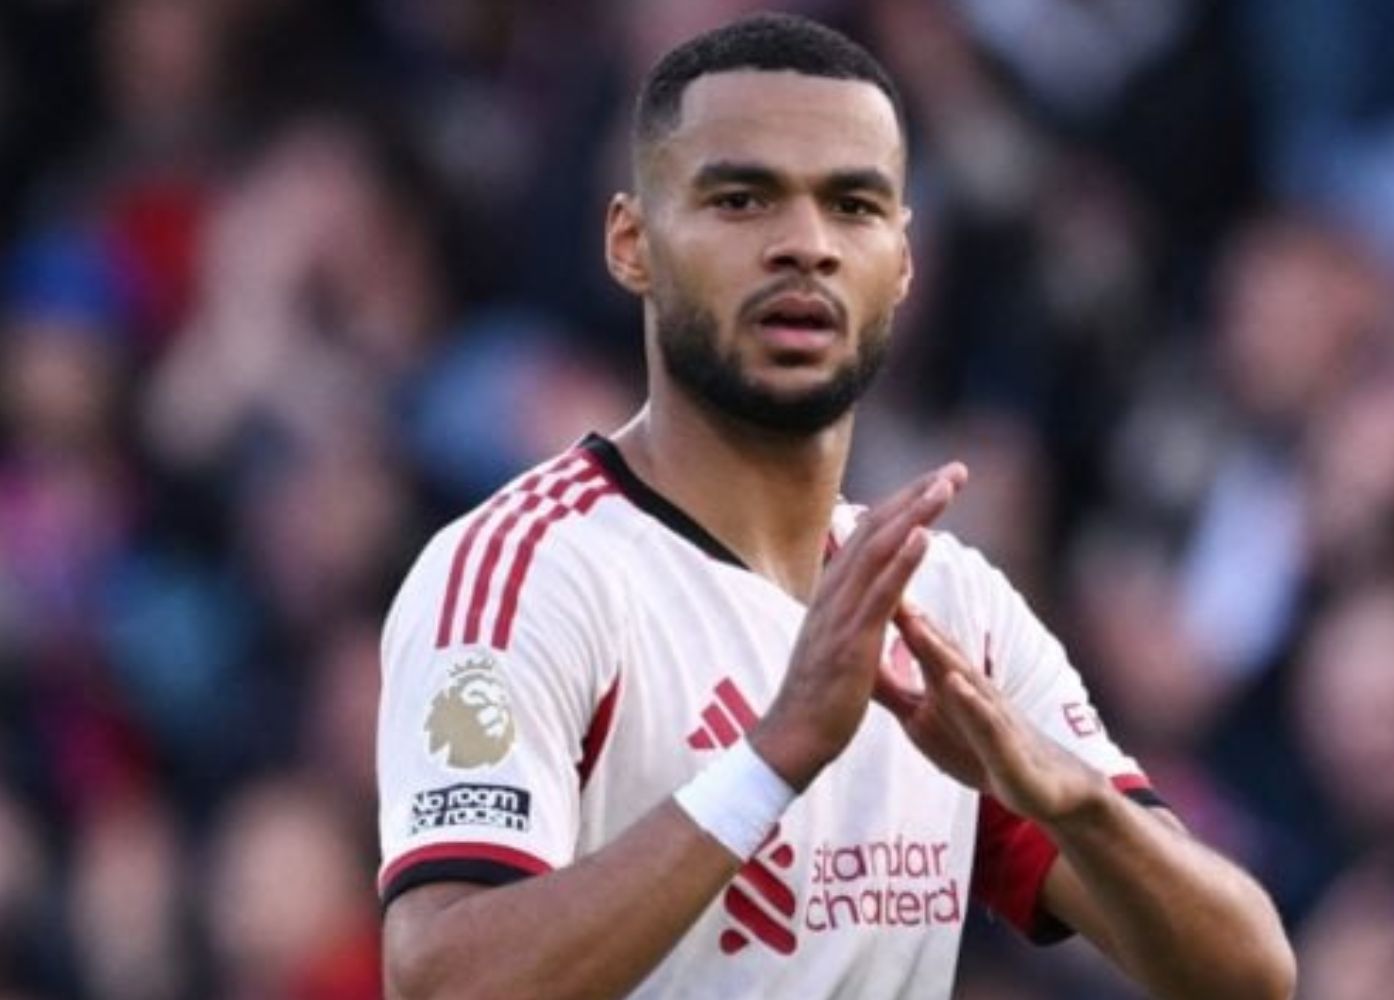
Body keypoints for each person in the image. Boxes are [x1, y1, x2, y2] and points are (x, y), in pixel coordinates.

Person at [377, 13, 1295, 1000]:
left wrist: (1075, 801)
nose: (805, 245)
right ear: (632, 243)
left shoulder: (946, 605)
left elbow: (1246, 974)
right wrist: (774, 757)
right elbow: (442, 982)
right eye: (741, 200)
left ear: (902, 263)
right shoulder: (528, 574)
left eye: (853, 206)